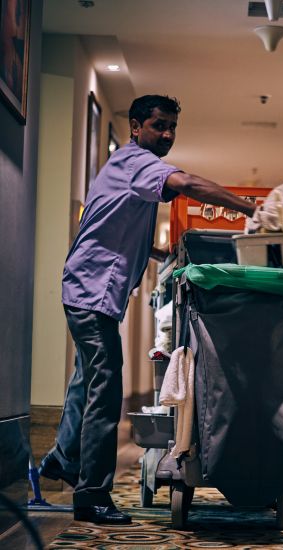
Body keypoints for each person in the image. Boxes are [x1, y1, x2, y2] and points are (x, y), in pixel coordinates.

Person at [38, 95, 257, 525]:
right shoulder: (136, 160)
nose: (168, 134)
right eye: (160, 125)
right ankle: (92, 496)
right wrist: (251, 208)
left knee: (86, 380)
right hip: (92, 290)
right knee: (105, 386)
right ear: (136, 127)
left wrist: (162, 255)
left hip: (89, 289)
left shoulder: (126, 166)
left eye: (173, 127)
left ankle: (62, 461)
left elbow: (114, 226)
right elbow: (188, 185)